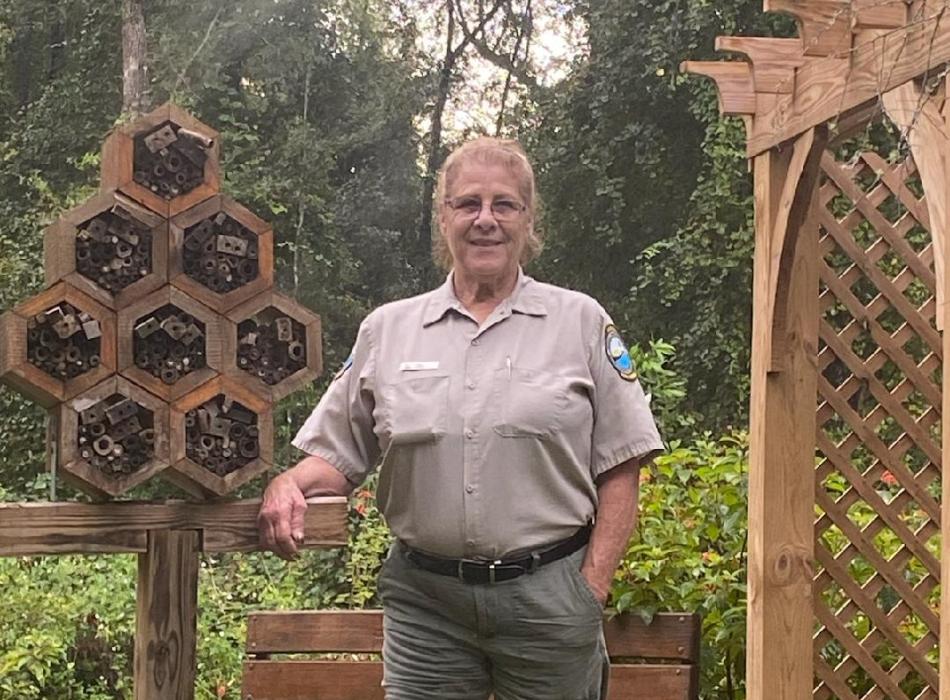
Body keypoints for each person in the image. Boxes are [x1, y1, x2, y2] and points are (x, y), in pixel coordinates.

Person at [257, 137, 663, 700]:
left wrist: (590, 587)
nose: (485, 220)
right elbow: (338, 457)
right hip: (427, 610)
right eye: (468, 204)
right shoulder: (388, 330)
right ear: (443, 218)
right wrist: (288, 482)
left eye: (504, 204)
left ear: (528, 220)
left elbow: (622, 464)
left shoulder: (579, 322)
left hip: (548, 600)